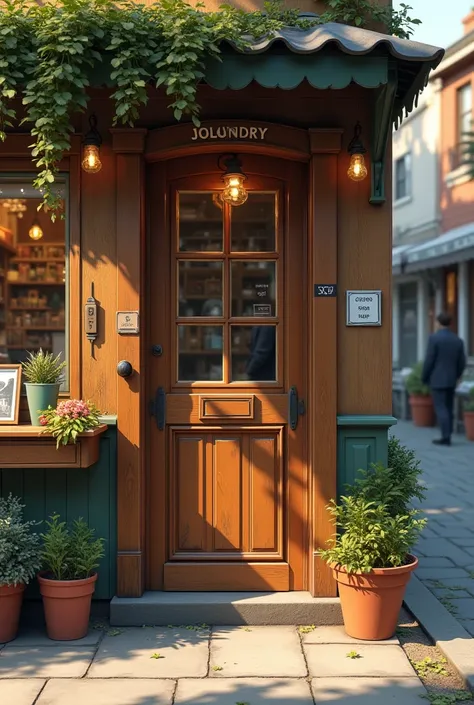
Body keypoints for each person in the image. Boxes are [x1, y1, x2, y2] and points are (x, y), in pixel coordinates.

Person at [422, 312, 466, 446]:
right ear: (450, 323)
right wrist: (457, 375)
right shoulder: (457, 340)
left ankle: (446, 437)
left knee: (441, 408)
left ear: (438, 323)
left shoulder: (434, 339)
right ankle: (448, 434)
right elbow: (462, 362)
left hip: (437, 379)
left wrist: (424, 377)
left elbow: (429, 360)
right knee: (449, 407)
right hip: (452, 379)